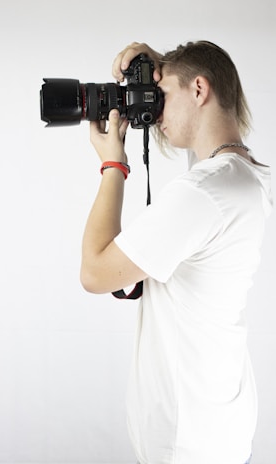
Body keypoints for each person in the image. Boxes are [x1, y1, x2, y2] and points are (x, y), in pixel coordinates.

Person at [80, 41, 273, 464]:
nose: (153, 109)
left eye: (160, 94)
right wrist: (161, 66)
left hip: (187, 442)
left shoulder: (204, 192)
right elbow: (201, 163)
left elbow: (95, 272)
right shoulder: (239, 177)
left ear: (199, 89)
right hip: (214, 424)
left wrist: (113, 165)